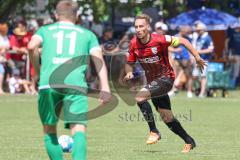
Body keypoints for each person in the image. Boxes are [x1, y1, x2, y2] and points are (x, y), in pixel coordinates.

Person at [27, 1, 111, 160]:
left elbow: (31, 47)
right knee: (78, 129)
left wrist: (38, 71)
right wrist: (105, 87)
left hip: (48, 82)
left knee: (49, 129)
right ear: (77, 16)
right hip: (75, 84)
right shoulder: (87, 34)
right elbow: (98, 60)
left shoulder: (44, 30)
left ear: (56, 15)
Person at [123, 14, 206, 153]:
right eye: (136, 26)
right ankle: (189, 141)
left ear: (148, 27)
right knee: (167, 117)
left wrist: (197, 57)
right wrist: (129, 72)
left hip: (166, 78)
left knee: (139, 97)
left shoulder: (160, 39)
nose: (138, 29)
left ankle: (154, 131)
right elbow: (129, 64)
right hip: (153, 83)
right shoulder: (133, 44)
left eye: (141, 26)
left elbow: (184, 41)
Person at [191, 22, 214, 97]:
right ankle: (200, 89)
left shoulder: (207, 37)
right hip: (197, 59)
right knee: (195, 76)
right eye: (197, 30)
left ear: (203, 30)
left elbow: (210, 50)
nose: (197, 31)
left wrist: (199, 51)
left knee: (203, 76)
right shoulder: (198, 37)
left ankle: (202, 92)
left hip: (204, 59)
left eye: (199, 30)